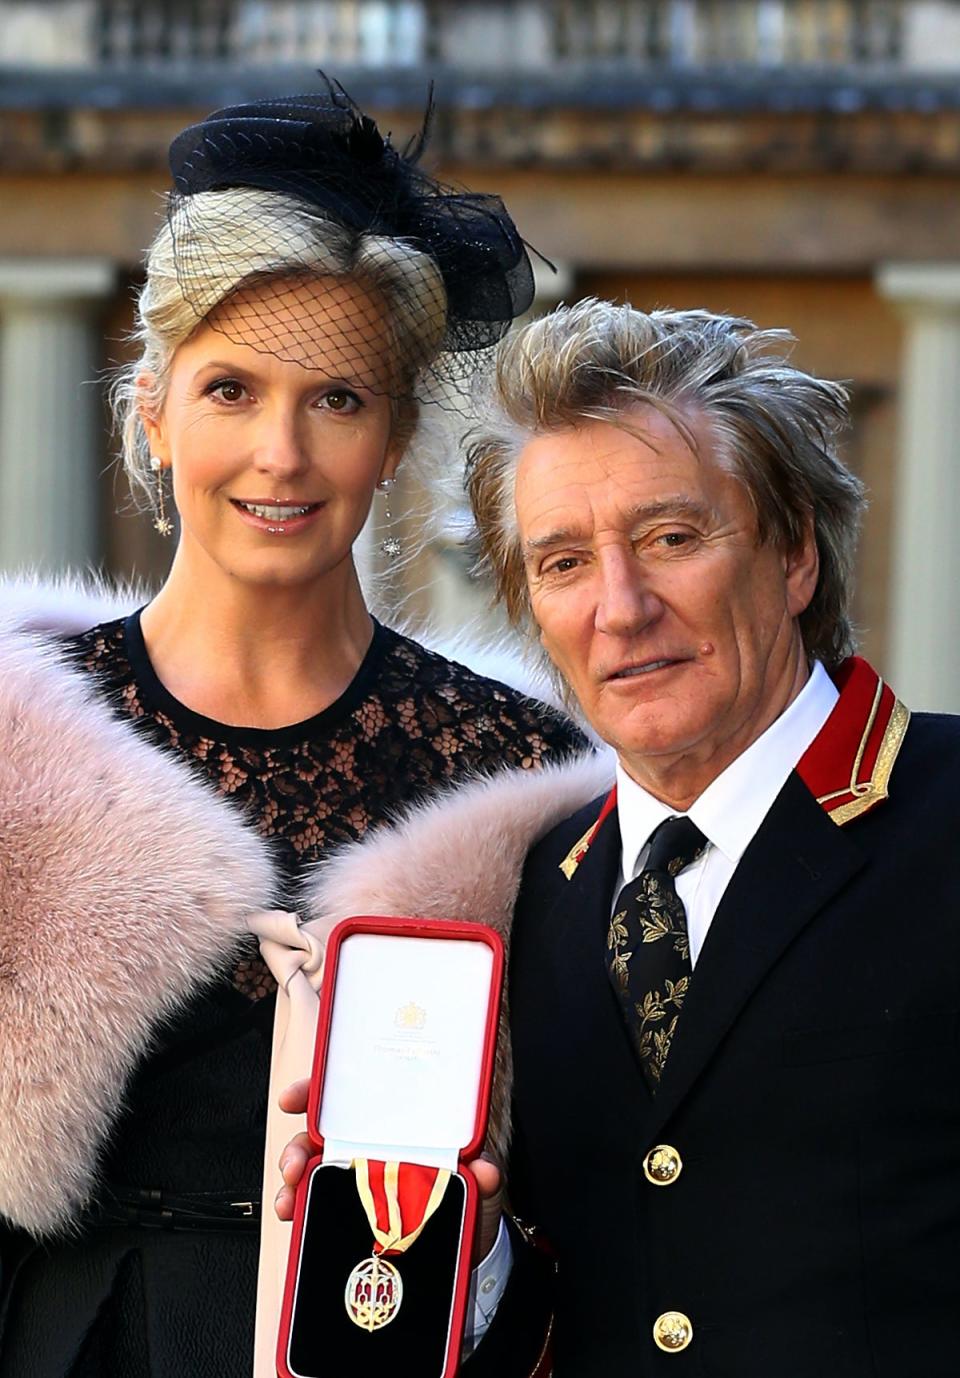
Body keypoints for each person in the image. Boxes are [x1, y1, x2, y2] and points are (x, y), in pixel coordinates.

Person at [0, 86, 586, 1378]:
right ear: (152, 411)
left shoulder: (521, 772)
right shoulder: (11, 733)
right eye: (229, 389)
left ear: (395, 438)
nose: (280, 452)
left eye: (337, 398)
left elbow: (591, 1206)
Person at [276, 297, 960, 1377]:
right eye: (562, 564)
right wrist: (467, 1246)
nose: (621, 607)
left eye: (670, 538)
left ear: (793, 558)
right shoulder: (543, 895)